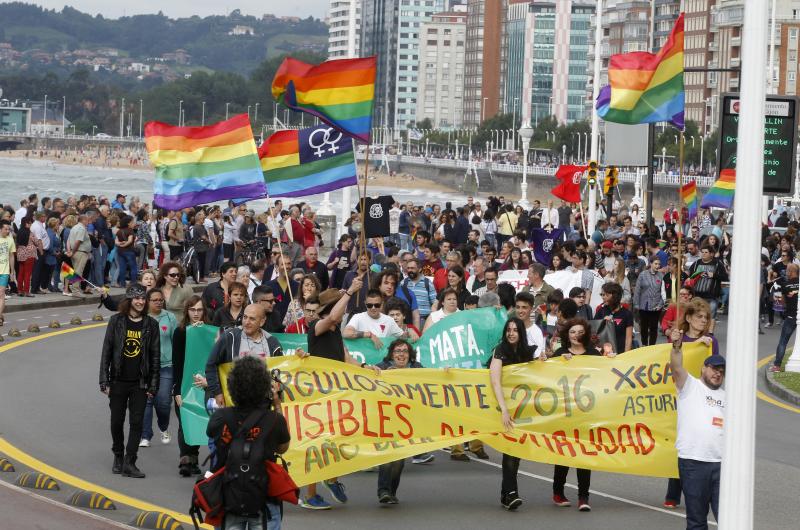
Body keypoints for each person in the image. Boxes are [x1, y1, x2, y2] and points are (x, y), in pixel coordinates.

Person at [300, 278, 380, 509]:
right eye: (341, 307)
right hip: (318, 395)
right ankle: (310, 494)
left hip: (336, 393)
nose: (344, 311)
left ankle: (332, 478)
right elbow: (334, 317)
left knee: (337, 438)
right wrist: (350, 291)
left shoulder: (335, 333)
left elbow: (346, 358)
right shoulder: (317, 327)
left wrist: (365, 368)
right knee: (315, 443)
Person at [207, 355, 290, 530]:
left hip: (229, 496)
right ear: (263, 387)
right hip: (264, 499)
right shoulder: (274, 420)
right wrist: (277, 404)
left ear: (232, 386)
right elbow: (283, 448)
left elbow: (212, 435)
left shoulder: (221, 417)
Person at [664, 297, 721, 510]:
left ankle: (695, 495)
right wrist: (676, 342)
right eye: (699, 317)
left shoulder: (710, 342)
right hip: (680, 396)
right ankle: (673, 492)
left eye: (706, 318)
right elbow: (671, 360)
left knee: (696, 442)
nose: (702, 321)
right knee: (681, 444)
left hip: (703, 398)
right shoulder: (679, 338)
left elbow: (715, 369)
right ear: (688, 317)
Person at [99, 283, 161, 478]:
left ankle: (130, 461)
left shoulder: (152, 325)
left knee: (137, 423)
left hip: (140, 383)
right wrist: (104, 380)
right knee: (116, 422)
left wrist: (153, 384)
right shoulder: (116, 321)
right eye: (137, 298)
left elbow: (155, 356)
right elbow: (106, 351)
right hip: (118, 380)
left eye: (143, 298)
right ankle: (118, 454)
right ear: (129, 300)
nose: (141, 301)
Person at [668, 327, 726, 530]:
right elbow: (676, 367)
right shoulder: (690, 386)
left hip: (722, 466)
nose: (717, 374)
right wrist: (676, 346)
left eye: (721, 371)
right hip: (693, 463)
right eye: (713, 369)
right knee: (697, 521)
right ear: (703, 369)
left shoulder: (727, 397)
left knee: (728, 520)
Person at [547, 318, 607, 511]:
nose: (576, 335)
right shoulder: (560, 354)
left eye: (580, 332)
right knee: (563, 453)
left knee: (584, 455)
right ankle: (558, 492)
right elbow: (545, 375)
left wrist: (612, 358)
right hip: (564, 413)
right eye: (572, 332)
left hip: (586, 414)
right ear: (567, 335)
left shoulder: (593, 354)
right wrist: (556, 363)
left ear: (586, 334)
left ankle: (584, 497)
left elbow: (605, 375)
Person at [489, 317, 537, 511]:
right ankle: (512, 493)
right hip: (502, 407)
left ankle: (505, 495)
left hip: (522, 410)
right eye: (508, 330)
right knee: (509, 449)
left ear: (521, 332)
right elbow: (495, 381)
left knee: (516, 452)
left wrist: (543, 361)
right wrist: (504, 409)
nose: (511, 333)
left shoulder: (528, 352)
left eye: (515, 330)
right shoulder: (499, 351)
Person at [374, 339, 424, 504]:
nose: (401, 354)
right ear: (391, 354)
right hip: (386, 419)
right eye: (397, 351)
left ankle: (391, 491)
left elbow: (434, 381)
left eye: (404, 351)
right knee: (388, 456)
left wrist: (445, 372)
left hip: (407, 422)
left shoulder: (417, 368)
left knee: (399, 461)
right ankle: (383, 491)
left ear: (409, 355)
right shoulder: (381, 367)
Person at [171, 295, 208, 477]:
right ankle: (185, 458)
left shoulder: (209, 331)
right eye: (192, 310)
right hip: (184, 384)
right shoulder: (180, 332)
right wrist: (176, 390)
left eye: (199, 310)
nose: (196, 313)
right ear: (187, 311)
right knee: (184, 421)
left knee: (198, 420)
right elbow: (176, 363)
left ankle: (193, 458)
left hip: (202, 384)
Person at [139, 288, 178, 447]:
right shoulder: (141, 318)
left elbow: (176, 342)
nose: (158, 302)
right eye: (154, 300)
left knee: (163, 402)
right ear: (147, 301)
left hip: (166, 366)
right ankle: (146, 435)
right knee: (146, 401)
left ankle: (163, 428)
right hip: (145, 368)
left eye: (160, 300)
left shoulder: (170, 317)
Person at [772, 263, 799, 372]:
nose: (786, 272)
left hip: (791, 316)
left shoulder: (785, 285)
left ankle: (777, 366)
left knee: (783, 341)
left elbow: (780, 303)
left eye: (787, 270)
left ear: (792, 272)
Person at [634, 256, 665, 346]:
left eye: (659, 264)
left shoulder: (661, 275)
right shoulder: (643, 274)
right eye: (655, 263)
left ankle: (652, 346)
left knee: (654, 328)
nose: (657, 266)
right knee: (644, 327)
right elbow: (637, 290)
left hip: (656, 306)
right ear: (650, 264)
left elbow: (662, 292)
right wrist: (636, 304)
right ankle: (644, 345)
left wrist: (660, 305)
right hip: (644, 305)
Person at [595, 282, 634, 352]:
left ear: (615, 296)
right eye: (601, 294)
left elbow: (628, 338)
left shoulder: (627, 314)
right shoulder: (601, 310)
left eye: (605, 295)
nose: (602, 297)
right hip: (604, 352)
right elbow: (594, 332)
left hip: (620, 352)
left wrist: (626, 355)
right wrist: (602, 322)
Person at [156, 262, 195, 326]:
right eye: (172, 275)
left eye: (178, 275)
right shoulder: (158, 290)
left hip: (180, 328)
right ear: (165, 276)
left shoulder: (185, 289)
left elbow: (193, 309)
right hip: (163, 328)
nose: (176, 277)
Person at [0, 220, 15, 326]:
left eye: (8, 229)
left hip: (4, 271)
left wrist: (12, 271)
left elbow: (11, 256)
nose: (7, 231)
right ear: (0, 229)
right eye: (5, 229)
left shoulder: (10, 240)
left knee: (1, 294)